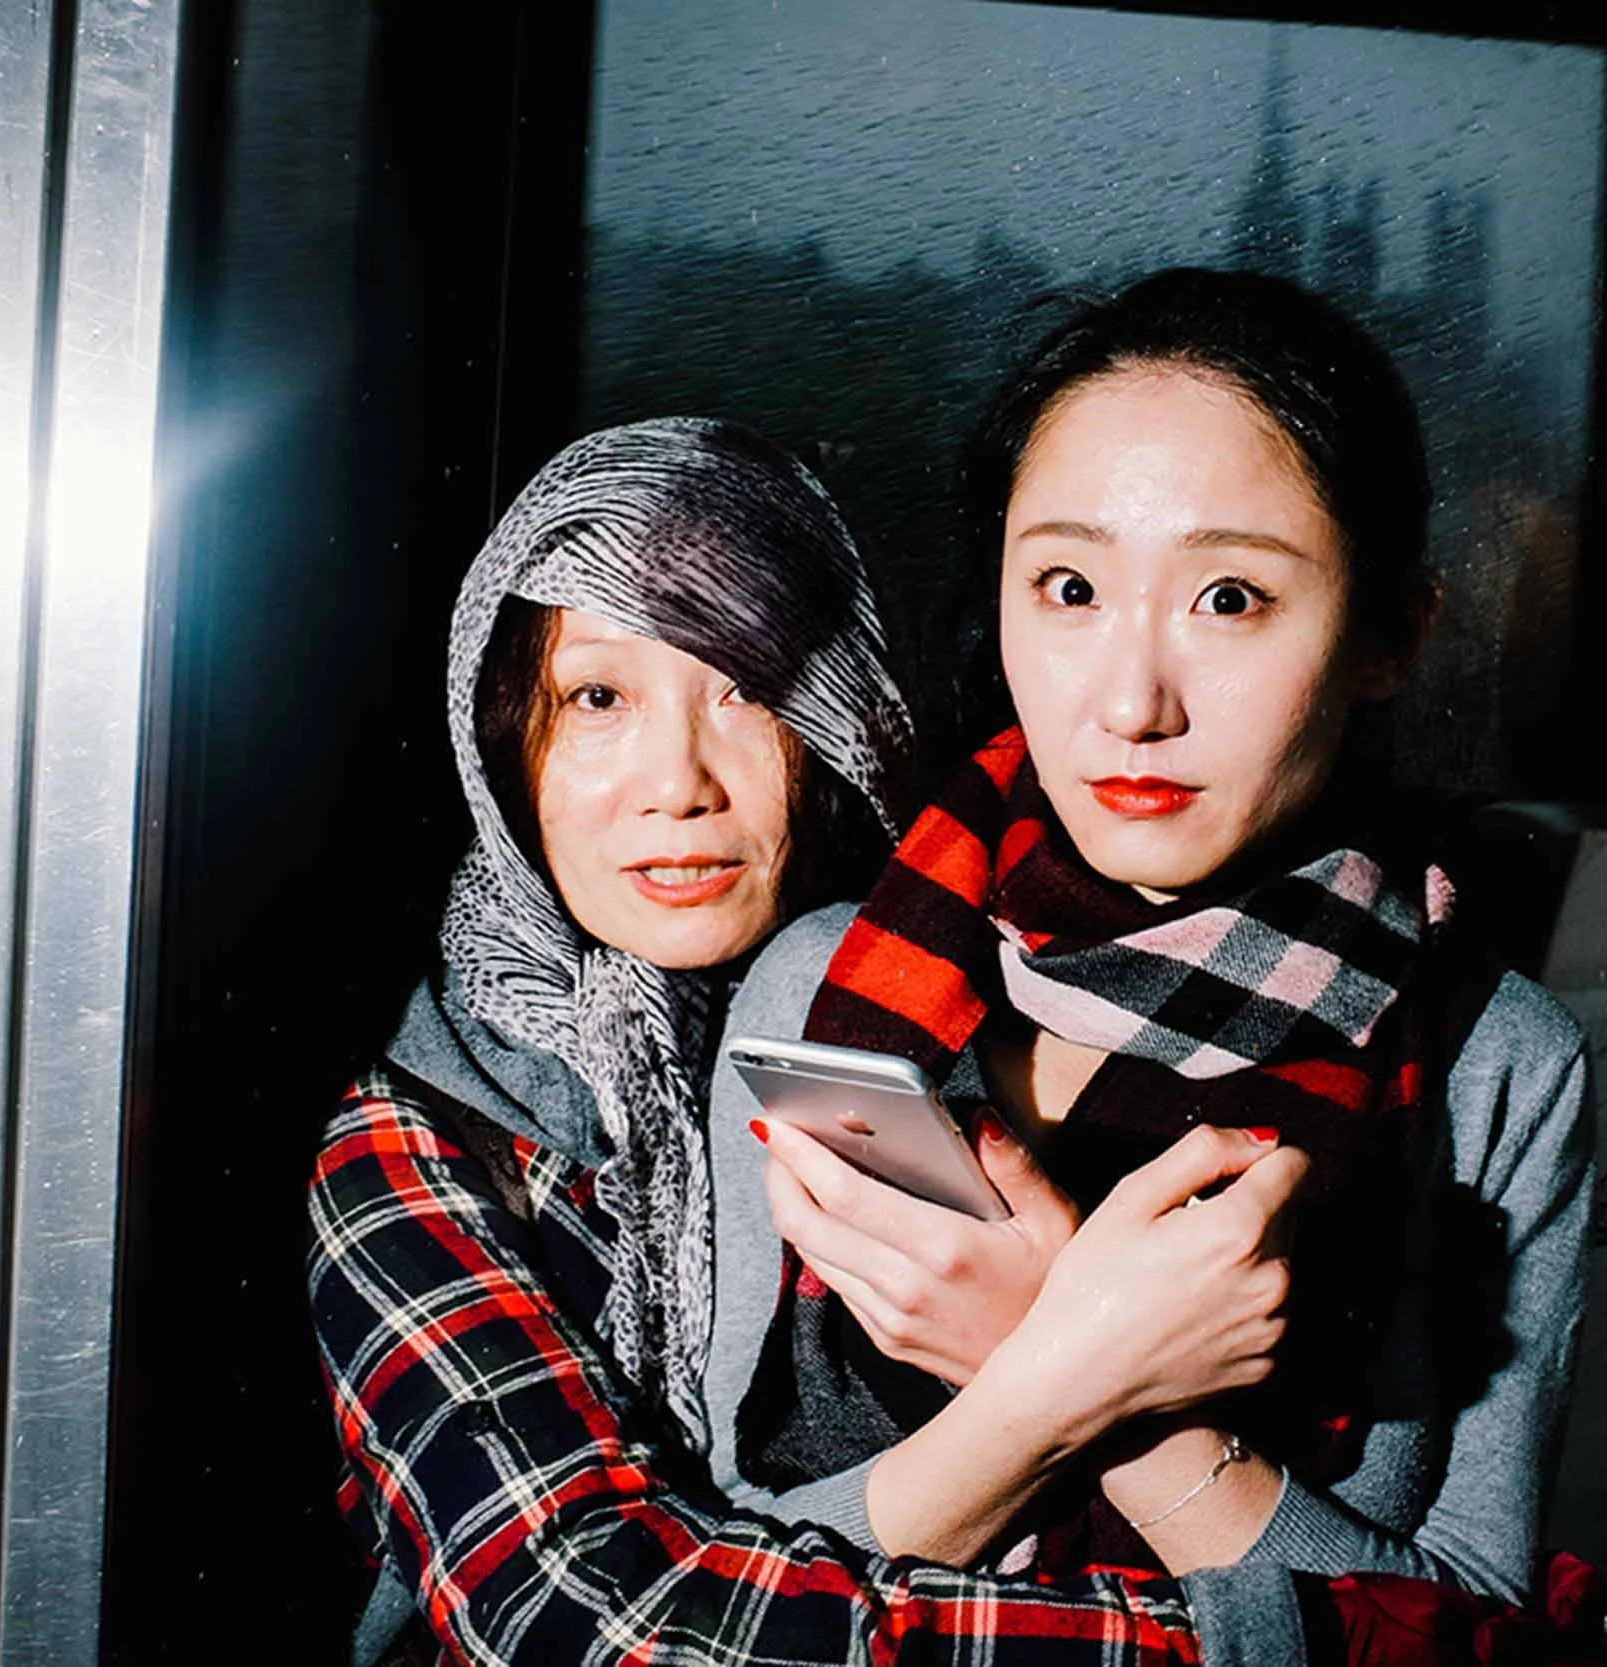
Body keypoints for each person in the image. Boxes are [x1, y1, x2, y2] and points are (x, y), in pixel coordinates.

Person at [306, 415, 1337, 1667]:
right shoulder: (415, 1134)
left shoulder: (975, 1006)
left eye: (745, 688)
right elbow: (597, 1632)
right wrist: (1080, 1393)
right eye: (597, 697)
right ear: (503, 736)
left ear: (839, 717)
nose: (677, 782)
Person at [695, 268, 1594, 1602]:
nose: (1130, 699)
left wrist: (1075, 1366)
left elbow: (1457, 1620)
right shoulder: (833, 986)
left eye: (1229, 598)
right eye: (1067, 586)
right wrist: (1072, 1366)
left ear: (1390, 634)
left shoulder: (1490, 1060)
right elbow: (717, 1569)